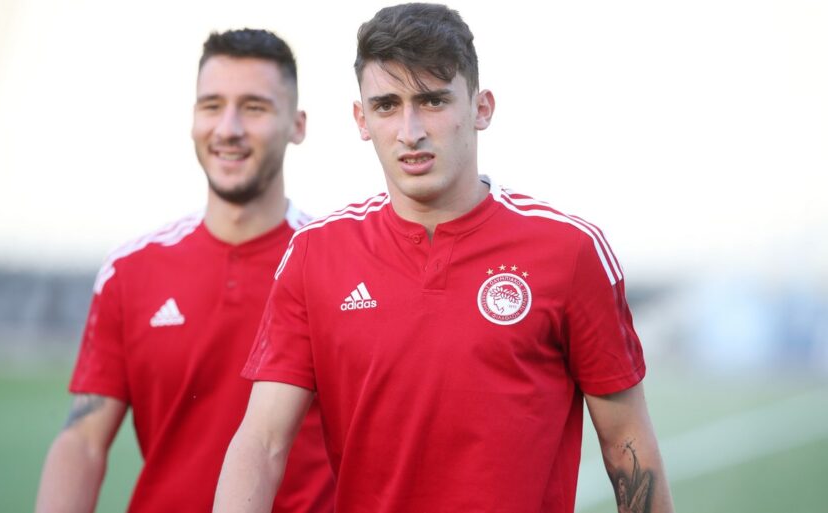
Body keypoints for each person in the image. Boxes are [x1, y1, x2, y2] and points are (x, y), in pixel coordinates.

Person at [215, 4, 675, 513]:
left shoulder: (569, 250)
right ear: (362, 119)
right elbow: (262, 443)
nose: (410, 130)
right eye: (386, 105)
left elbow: (627, 444)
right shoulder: (315, 254)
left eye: (432, 101)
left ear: (481, 108)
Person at [35, 28, 334, 513]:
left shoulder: (335, 265)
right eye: (212, 106)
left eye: (254, 107)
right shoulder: (131, 271)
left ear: (297, 125)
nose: (229, 128)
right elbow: (84, 441)